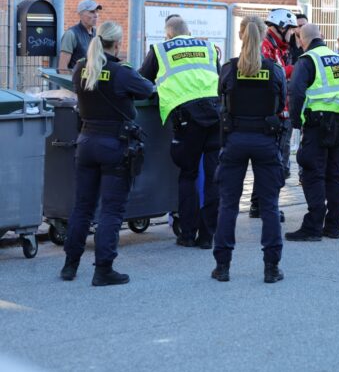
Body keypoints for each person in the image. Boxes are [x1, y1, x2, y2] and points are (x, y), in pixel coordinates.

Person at [60, 21, 154, 286]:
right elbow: (148, 89)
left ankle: (70, 265)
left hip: (86, 142)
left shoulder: (81, 68)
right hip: (114, 144)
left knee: (82, 207)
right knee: (111, 210)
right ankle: (103, 270)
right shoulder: (121, 71)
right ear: (118, 44)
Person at [212, 16, 287, 283]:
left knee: (228, 205)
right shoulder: (274, 68)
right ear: (264, 35)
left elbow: (221, 99)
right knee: (269, 205)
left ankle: (222, 267)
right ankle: (271, 268)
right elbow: (281, 105)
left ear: (241, 35)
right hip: (266, 141)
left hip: (235, 140)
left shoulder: (228, 68)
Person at [138, 16, 221, 249]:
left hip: (187, 119)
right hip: (215, 114)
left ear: (168, 34)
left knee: (188, 174)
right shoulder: (207, 47)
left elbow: (141, 82)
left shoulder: (161, 49)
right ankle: (208, 235)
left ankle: (187, 233)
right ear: (188, 32)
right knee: (212, 175)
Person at [285, 24, 339, 241]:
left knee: (312, 173)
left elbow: (296, 92)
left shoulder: (308, 60)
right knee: (334, 175)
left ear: (302, 39)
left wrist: (296, 122)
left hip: (317, 124)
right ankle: (334, 226)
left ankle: (313, 227)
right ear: (322, 37)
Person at [248, 8, 297, 220]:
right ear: (281, 27)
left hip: (280, 112)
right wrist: (296, 70)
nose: (293, 33)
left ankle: (259, 205)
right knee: (276, 163)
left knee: (274, 162)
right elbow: (271, 74)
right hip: (274, 114)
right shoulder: (266, 47)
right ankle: (267, 206)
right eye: (291, 29)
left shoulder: (280, 47)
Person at [58, 0, 102, 72]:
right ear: (81, 14)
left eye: (97, 11)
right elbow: (62, 68)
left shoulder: (98, 34)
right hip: (76, 82)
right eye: (92, 12)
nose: (96, 15)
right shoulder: (71, 34)